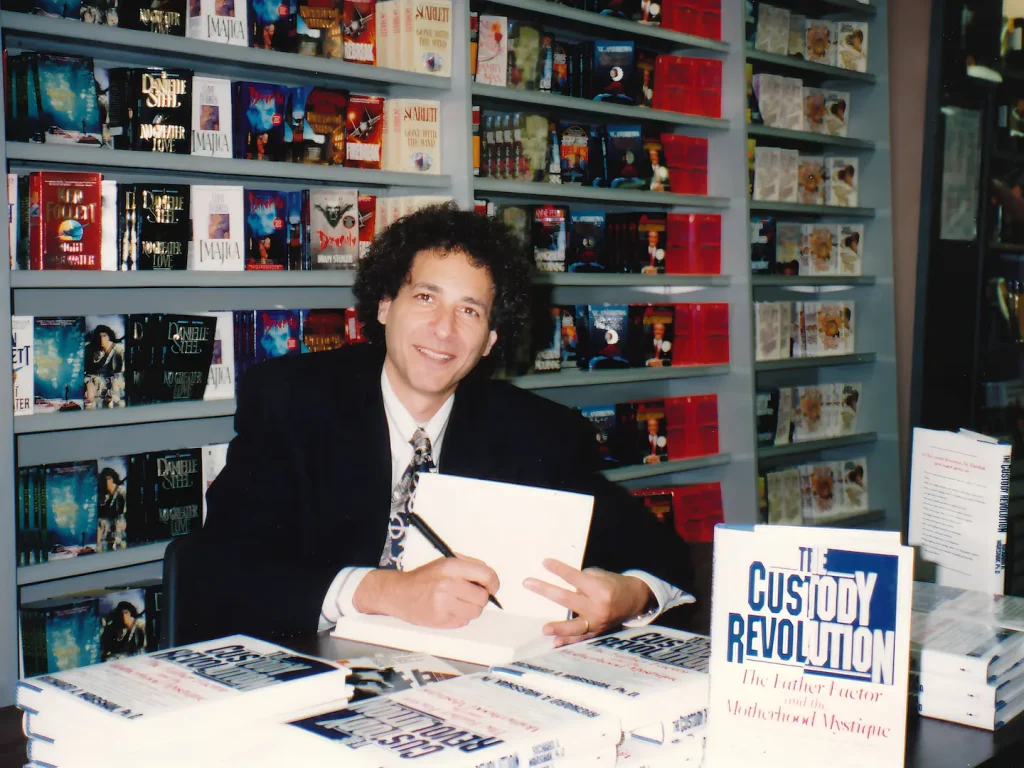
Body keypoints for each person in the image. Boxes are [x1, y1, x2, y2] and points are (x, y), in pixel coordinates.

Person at [190, 204, 694, 646]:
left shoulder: (538, 433)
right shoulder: (294, 403)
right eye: (426, 298)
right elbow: (219, 573)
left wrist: (628, 598)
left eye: (469, 311)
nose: (444, 330)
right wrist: (384, 591)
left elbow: (663, 555)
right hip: (310, 674)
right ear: (385, 305)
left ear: (491, 339)